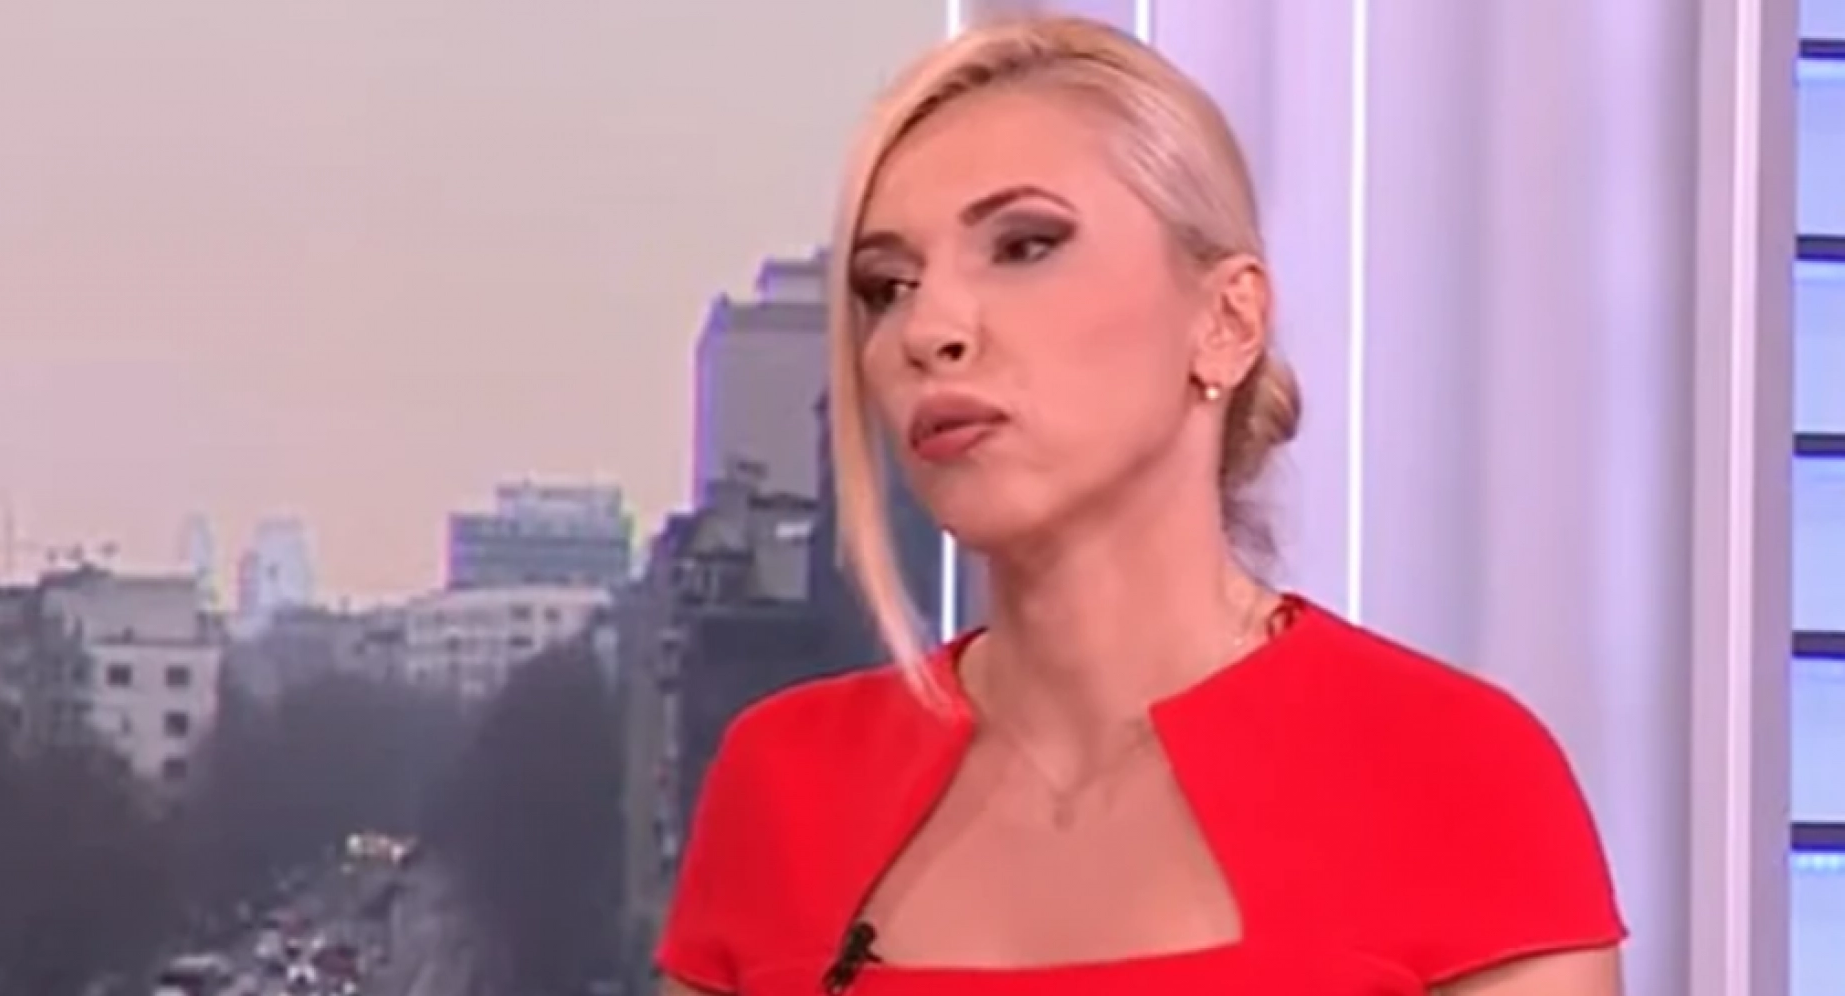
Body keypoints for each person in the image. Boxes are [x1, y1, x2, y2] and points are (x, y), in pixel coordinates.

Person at [657, 15, 1625, 996]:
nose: (929, 329)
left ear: (1225, 321)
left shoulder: (1454, 777)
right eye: (886, 287)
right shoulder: (784, 782)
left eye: (1025, 246)